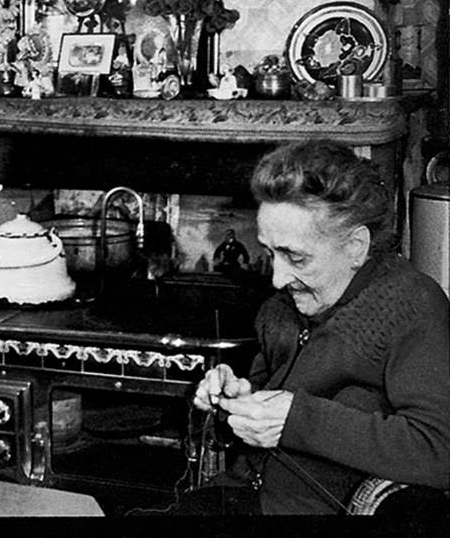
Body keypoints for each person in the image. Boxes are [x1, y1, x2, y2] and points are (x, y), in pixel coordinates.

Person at [186, 139, 449, 514]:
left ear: (356, 246)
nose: (277, 278)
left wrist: (296, 420)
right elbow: (267, 404)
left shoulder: (412, 305)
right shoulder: (283, 307)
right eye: (270, 253)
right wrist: (236, 400)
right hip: (238, 497)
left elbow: (440, 448)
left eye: (295, 257)